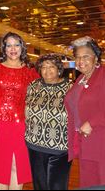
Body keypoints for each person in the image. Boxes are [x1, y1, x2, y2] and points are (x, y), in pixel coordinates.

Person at [64, 36, 105, 190]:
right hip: (85, 144)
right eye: (78, 57)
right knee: (88, 186)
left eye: (86, 56)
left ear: (96, 57)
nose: (81, 61)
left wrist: (91, 123)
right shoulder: (80, 79)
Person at [0, 32, 40, 190]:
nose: (13, 49)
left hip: (20, 125)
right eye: (8, 45)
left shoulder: (30, 71)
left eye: (16, 45)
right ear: (4, 48)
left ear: (22, 48)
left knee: (17, 166)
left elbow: (38, 96)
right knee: (0, 168)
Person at [25, 54, 73, 190]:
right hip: (34, 144)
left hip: (60, 147)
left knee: (57, 186)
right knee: (39, 185)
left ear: (58, 69)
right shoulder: (34, 85)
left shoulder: (70, 88)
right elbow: (26, 109)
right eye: (43, 67)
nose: (47, 70)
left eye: (51, 67)